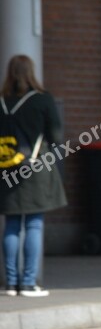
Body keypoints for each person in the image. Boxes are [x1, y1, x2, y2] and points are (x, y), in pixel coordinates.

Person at [0, 55, 67, 297]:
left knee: (12, 225)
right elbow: (56, 137)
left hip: (6, 167)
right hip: (36, 167)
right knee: (34, 224)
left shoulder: (1, 101)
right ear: (31, 72)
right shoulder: (42, 100)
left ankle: (11, 283)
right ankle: (28, 283)